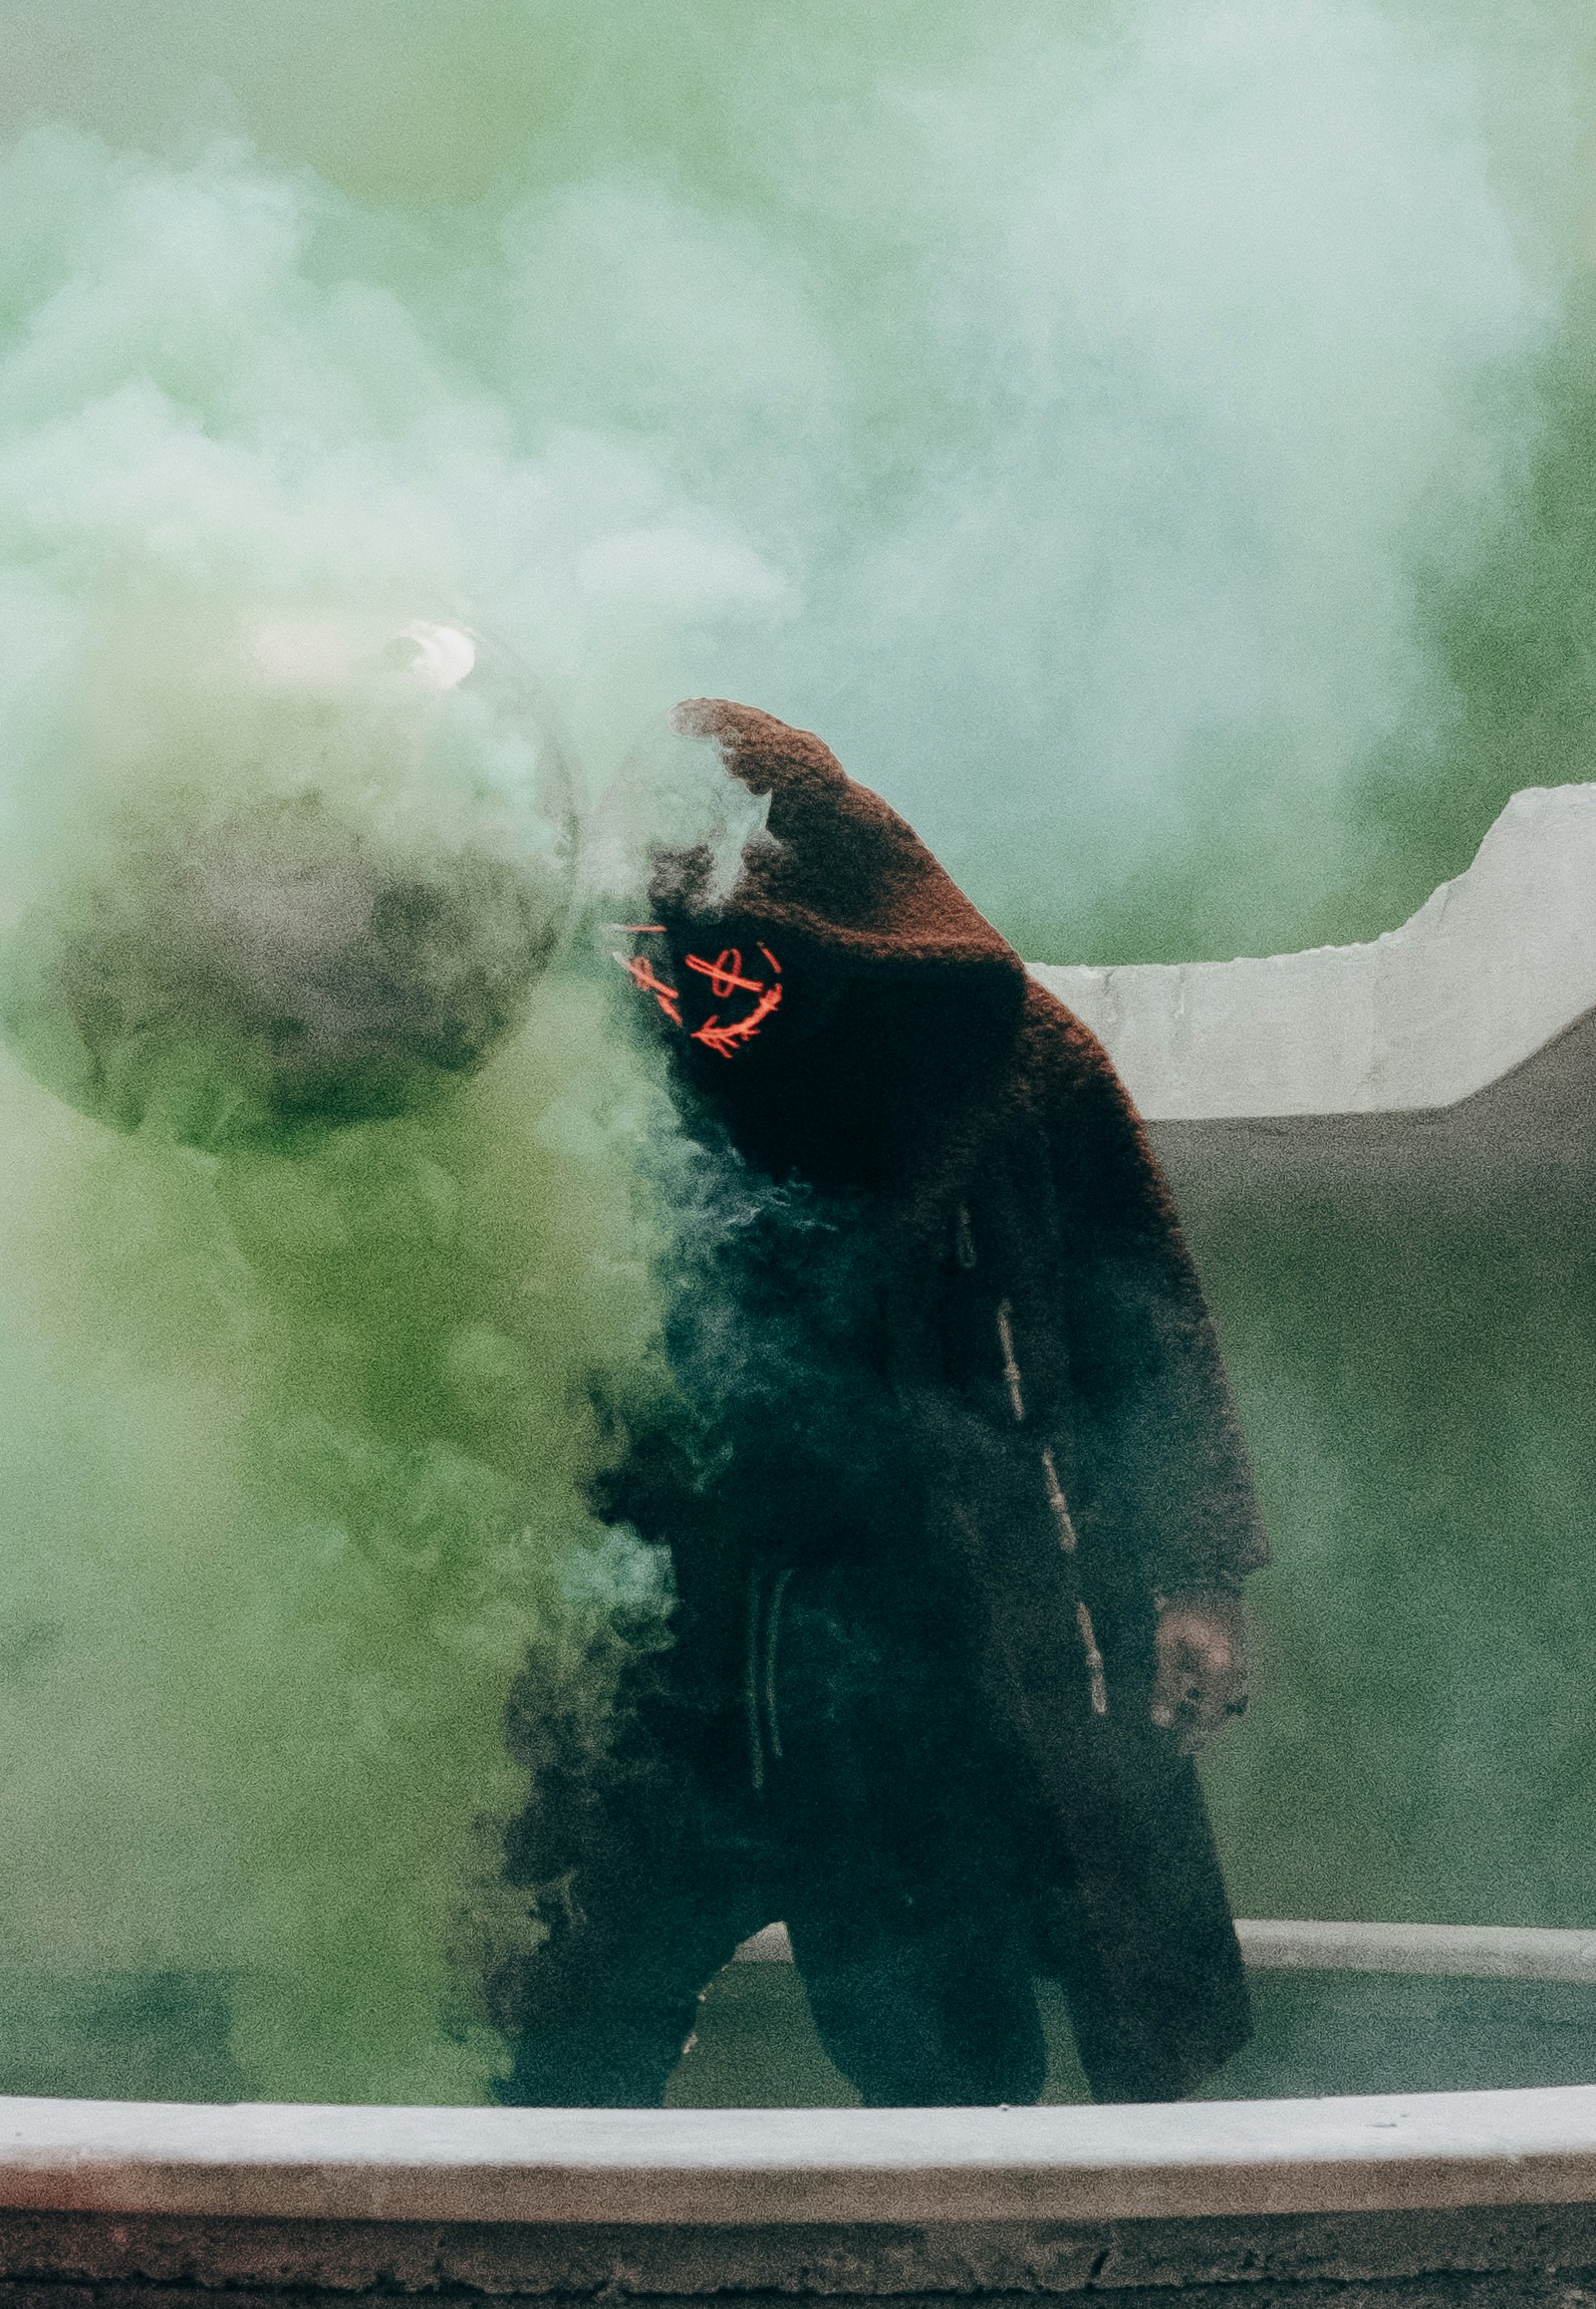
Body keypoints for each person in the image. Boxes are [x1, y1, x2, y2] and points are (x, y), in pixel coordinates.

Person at [496, 703, 1267, 2109]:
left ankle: (986, 2296)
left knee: (946, 2047)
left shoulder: (1007, 1062)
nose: (693, 967)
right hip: (657, 1632)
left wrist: (1197, 1574)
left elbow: (1138, 1316)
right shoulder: (583, 1051)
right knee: (561, 2028)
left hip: (919, 1629)